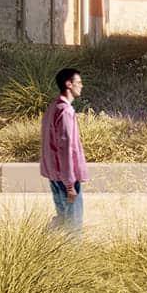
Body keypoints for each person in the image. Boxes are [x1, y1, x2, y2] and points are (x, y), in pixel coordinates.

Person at [39, 65, 87, 229]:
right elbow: (66, 149)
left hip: (55, 175)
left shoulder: (52, 108)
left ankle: (44, 246)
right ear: (68, 84)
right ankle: (73, 254)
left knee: (62, 221)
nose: (81, 86)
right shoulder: (65, 112)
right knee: (73, 226)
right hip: (66, 178)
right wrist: (69, 185)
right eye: (78, 82)